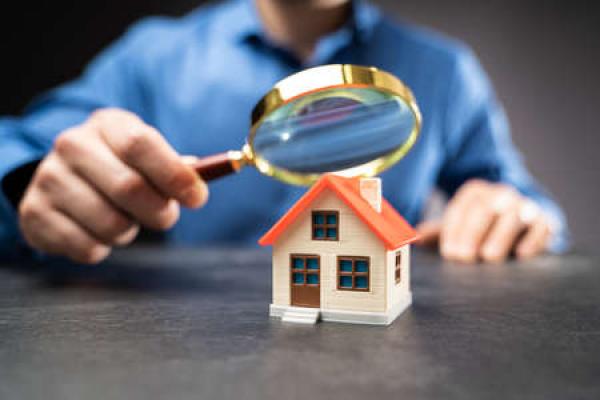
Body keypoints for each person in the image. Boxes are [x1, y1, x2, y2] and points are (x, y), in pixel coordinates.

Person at [0, 0, 568, 265]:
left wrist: (515, 213)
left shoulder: (444, 72)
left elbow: (526, 203)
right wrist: (27, 182)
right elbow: (16, 146)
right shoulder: (153, 56)